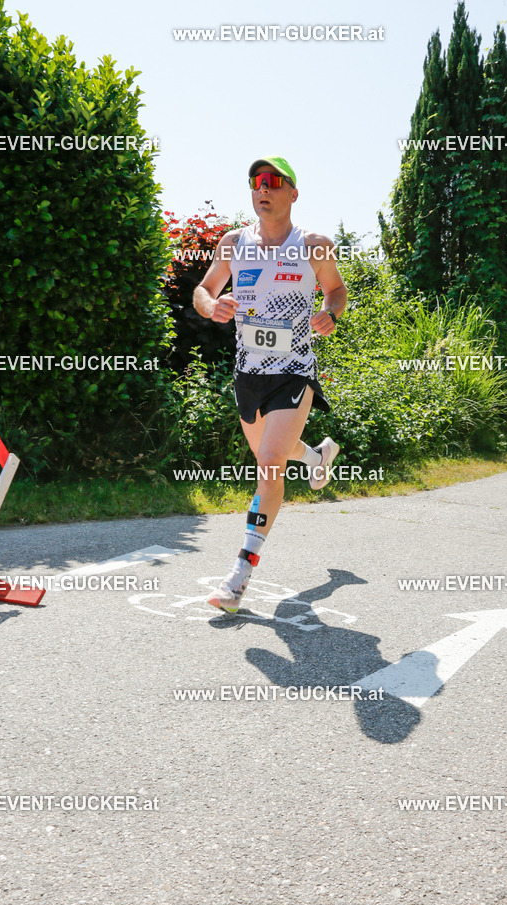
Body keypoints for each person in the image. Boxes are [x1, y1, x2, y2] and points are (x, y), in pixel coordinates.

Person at [193, 156, 348, 613]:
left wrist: (330, 313)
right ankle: (317, 456)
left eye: (274, 181)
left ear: (292, 193)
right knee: (272, 452)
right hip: (248, 374)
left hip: (294, 369)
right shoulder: (233, 244)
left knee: (269, 464)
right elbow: (203, 290)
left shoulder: (313, 245)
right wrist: (212, 306)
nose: (263, 188)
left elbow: (336, 291)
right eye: (256, 182)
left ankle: (239, 575)